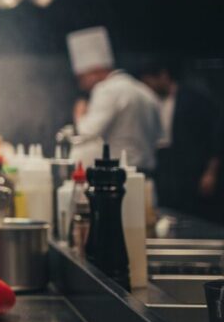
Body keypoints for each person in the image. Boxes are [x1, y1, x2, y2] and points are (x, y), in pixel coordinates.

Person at [67, 27, 161, 172]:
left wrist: (79, 114)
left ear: (95, 70)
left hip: (121, 176)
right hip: (148, 175)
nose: (81, 84)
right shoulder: (145, 91)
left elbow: (86, 133)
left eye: (82, 77)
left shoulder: (106, 89)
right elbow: (159, 137)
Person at [139, 59, 222, 219]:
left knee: (196, 214)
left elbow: (215, 136)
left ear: (163, 76)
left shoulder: (195, 99)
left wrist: (211, 172)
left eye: (150, 82)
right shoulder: (150, 102)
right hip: (165, 168)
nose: (148, 88)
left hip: (193, 168)